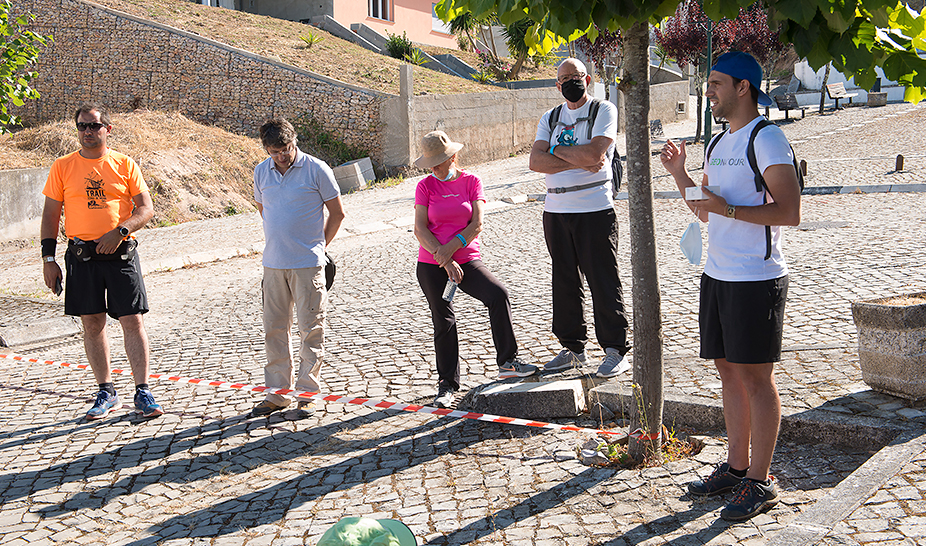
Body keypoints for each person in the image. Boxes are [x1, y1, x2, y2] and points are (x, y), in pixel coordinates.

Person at [660, 51, 802, 521]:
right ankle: (737, 467)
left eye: (716, 83)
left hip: (756, 279)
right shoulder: (719, 141)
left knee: (757, 379)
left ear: (744, 87)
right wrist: (679, 173)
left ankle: (761, 481)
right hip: (717, 274)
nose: (708, 92)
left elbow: (789, 212)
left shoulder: (768, 139)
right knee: (727, 373)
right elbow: (704, 209)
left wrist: (730, 210)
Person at [40, 103, 163, 420]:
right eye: (82, 126)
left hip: (120, 254)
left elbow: (146, 208)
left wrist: (119, 232)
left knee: (132, 321)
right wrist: (48, 259)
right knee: (92, 324)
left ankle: (143, 391)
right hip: (82, 257)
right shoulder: (63, 166)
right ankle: (106, 392)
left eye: (94, 125)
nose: (87, 132)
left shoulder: (124, 163)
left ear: (108, 129)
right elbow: (51, 215)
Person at [414, 130, 537, 408]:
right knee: (444, 320)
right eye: (429, 164)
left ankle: (507, 362)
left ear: (452, 158)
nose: (433, 169)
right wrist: (445, 259)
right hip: (432, 264)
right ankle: (447, 385)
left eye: (437, 163)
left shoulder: (472, 182)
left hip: (467, 260)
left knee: (498, 295)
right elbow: (420, 229)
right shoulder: (425, 186)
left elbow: (477, 224)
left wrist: (452, 249)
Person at [528, 58, 632, 379]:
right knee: (564, 281)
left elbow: (595, 155)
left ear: (587, 79)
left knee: (603, 279)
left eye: (576, 76)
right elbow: (535, 162)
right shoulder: (551, 117)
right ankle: (573, 348)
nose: (570, 82)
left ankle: (615, 350)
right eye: (564, 79)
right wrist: (578, 157)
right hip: (556, 210)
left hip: (594, 209)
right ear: (557, 85)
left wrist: (555, 151)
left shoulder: (604, 110)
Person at [250, 117, 345, 419]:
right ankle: (278, 394)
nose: (281, 156)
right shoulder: (261, 172)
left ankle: (307, 393)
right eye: (274, 152)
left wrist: (319, 246)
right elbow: (264, 211)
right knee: (274, 330)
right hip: (273, 265)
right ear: (266, 149)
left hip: (308, 265)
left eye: (286, 149)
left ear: (295, 142)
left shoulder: (317, 169)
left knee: (311, 330)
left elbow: (337, 213)